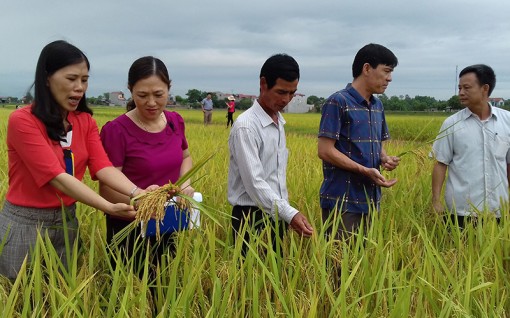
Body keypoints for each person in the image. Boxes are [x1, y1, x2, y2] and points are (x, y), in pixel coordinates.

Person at [0, 40, 148, 280]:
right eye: (71, 79)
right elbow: (56, 177)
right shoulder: (23, 120)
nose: (79, 87)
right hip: (25, 225)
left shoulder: (84, 121)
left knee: (60, 297)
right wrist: (108, 207)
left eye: (84, 80)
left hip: (67, 221)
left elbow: (103, 167)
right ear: (47, 78)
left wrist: (139, 193)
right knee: (20, 303)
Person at [99, 56, 194, 272]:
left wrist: (185, 183)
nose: (151, 103)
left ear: (169, 89)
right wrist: (142, 202)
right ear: (131, 91)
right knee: (131, 293)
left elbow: (186, 157)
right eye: (142, 95)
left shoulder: (174, 122)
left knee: (165, 286)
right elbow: (106, 189)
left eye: (158, 95)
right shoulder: (116, 131)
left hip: (167, 221)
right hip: (129, 225)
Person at [228, 53, 314, 257]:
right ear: (263, 83)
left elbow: (275, 176)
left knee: (274, 278)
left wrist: (285, 213)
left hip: (277, 214)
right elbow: (255, 183)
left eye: (292, 93)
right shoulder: (246, 126)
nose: (286, 99)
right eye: (281, 92)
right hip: (250, 217)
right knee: (250, 282)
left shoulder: (278, 122)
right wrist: (290, 214)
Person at [317, 43, 400, 239]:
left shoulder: (377, 105)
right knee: (338, 266)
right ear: (367, 69)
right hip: (342, 201)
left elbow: (377, 145)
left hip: (370, 199)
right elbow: (325, 150)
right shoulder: (338, 101)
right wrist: (364, 170)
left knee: (364, 265)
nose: (390, 78)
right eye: (386, 71)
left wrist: (384, 159)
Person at [431, 64, 510, 228]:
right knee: (458, 253)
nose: (460, 92)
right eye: (459, 88)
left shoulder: (507, 121)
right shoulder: (452, 123)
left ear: (485, 89)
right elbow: (440, 163)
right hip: (461, 212)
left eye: (466, 87)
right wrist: (436, 200)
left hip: (498, 210)